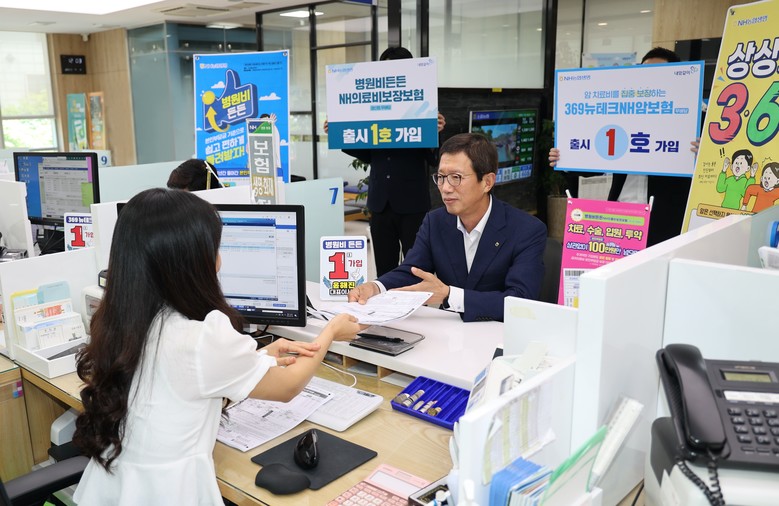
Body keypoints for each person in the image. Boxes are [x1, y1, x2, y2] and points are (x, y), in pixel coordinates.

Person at [72, 189, 360, 505]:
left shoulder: (121, 319)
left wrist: (259, 358)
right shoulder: (202, 336)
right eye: (214, 249)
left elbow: (180, 377)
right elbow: (288, 387)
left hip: (111, 489)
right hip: (172, 494)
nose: (220, 261)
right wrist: (330, 332)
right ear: (190, 263)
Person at [348, 133, 546, 322]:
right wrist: (375, 287)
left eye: (456, 177)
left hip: (500, 334)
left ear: (487, 182)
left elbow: (520, 301)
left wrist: (450, 296)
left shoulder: (526, 229)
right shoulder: (435, 221)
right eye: (441, 177)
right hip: (449, 333)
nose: (446, 188)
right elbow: (411, 271)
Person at [548, 47, 696, 247]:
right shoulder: (621, 111)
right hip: (620, 216)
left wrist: (702, 154)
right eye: (645, 72)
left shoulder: (690, 119)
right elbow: (596, 161)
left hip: (665, 219)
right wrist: (566, 158)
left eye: (659, 74)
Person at [326, 46, 447, 277]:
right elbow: (368, 156)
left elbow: (433, 158)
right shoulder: (374, 108)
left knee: (416, 267)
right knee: (384, 268)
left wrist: (436, 132)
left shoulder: (421, 104)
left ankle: (415, 300)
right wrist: (339, 134)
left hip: (412, 203)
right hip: (380, 202)